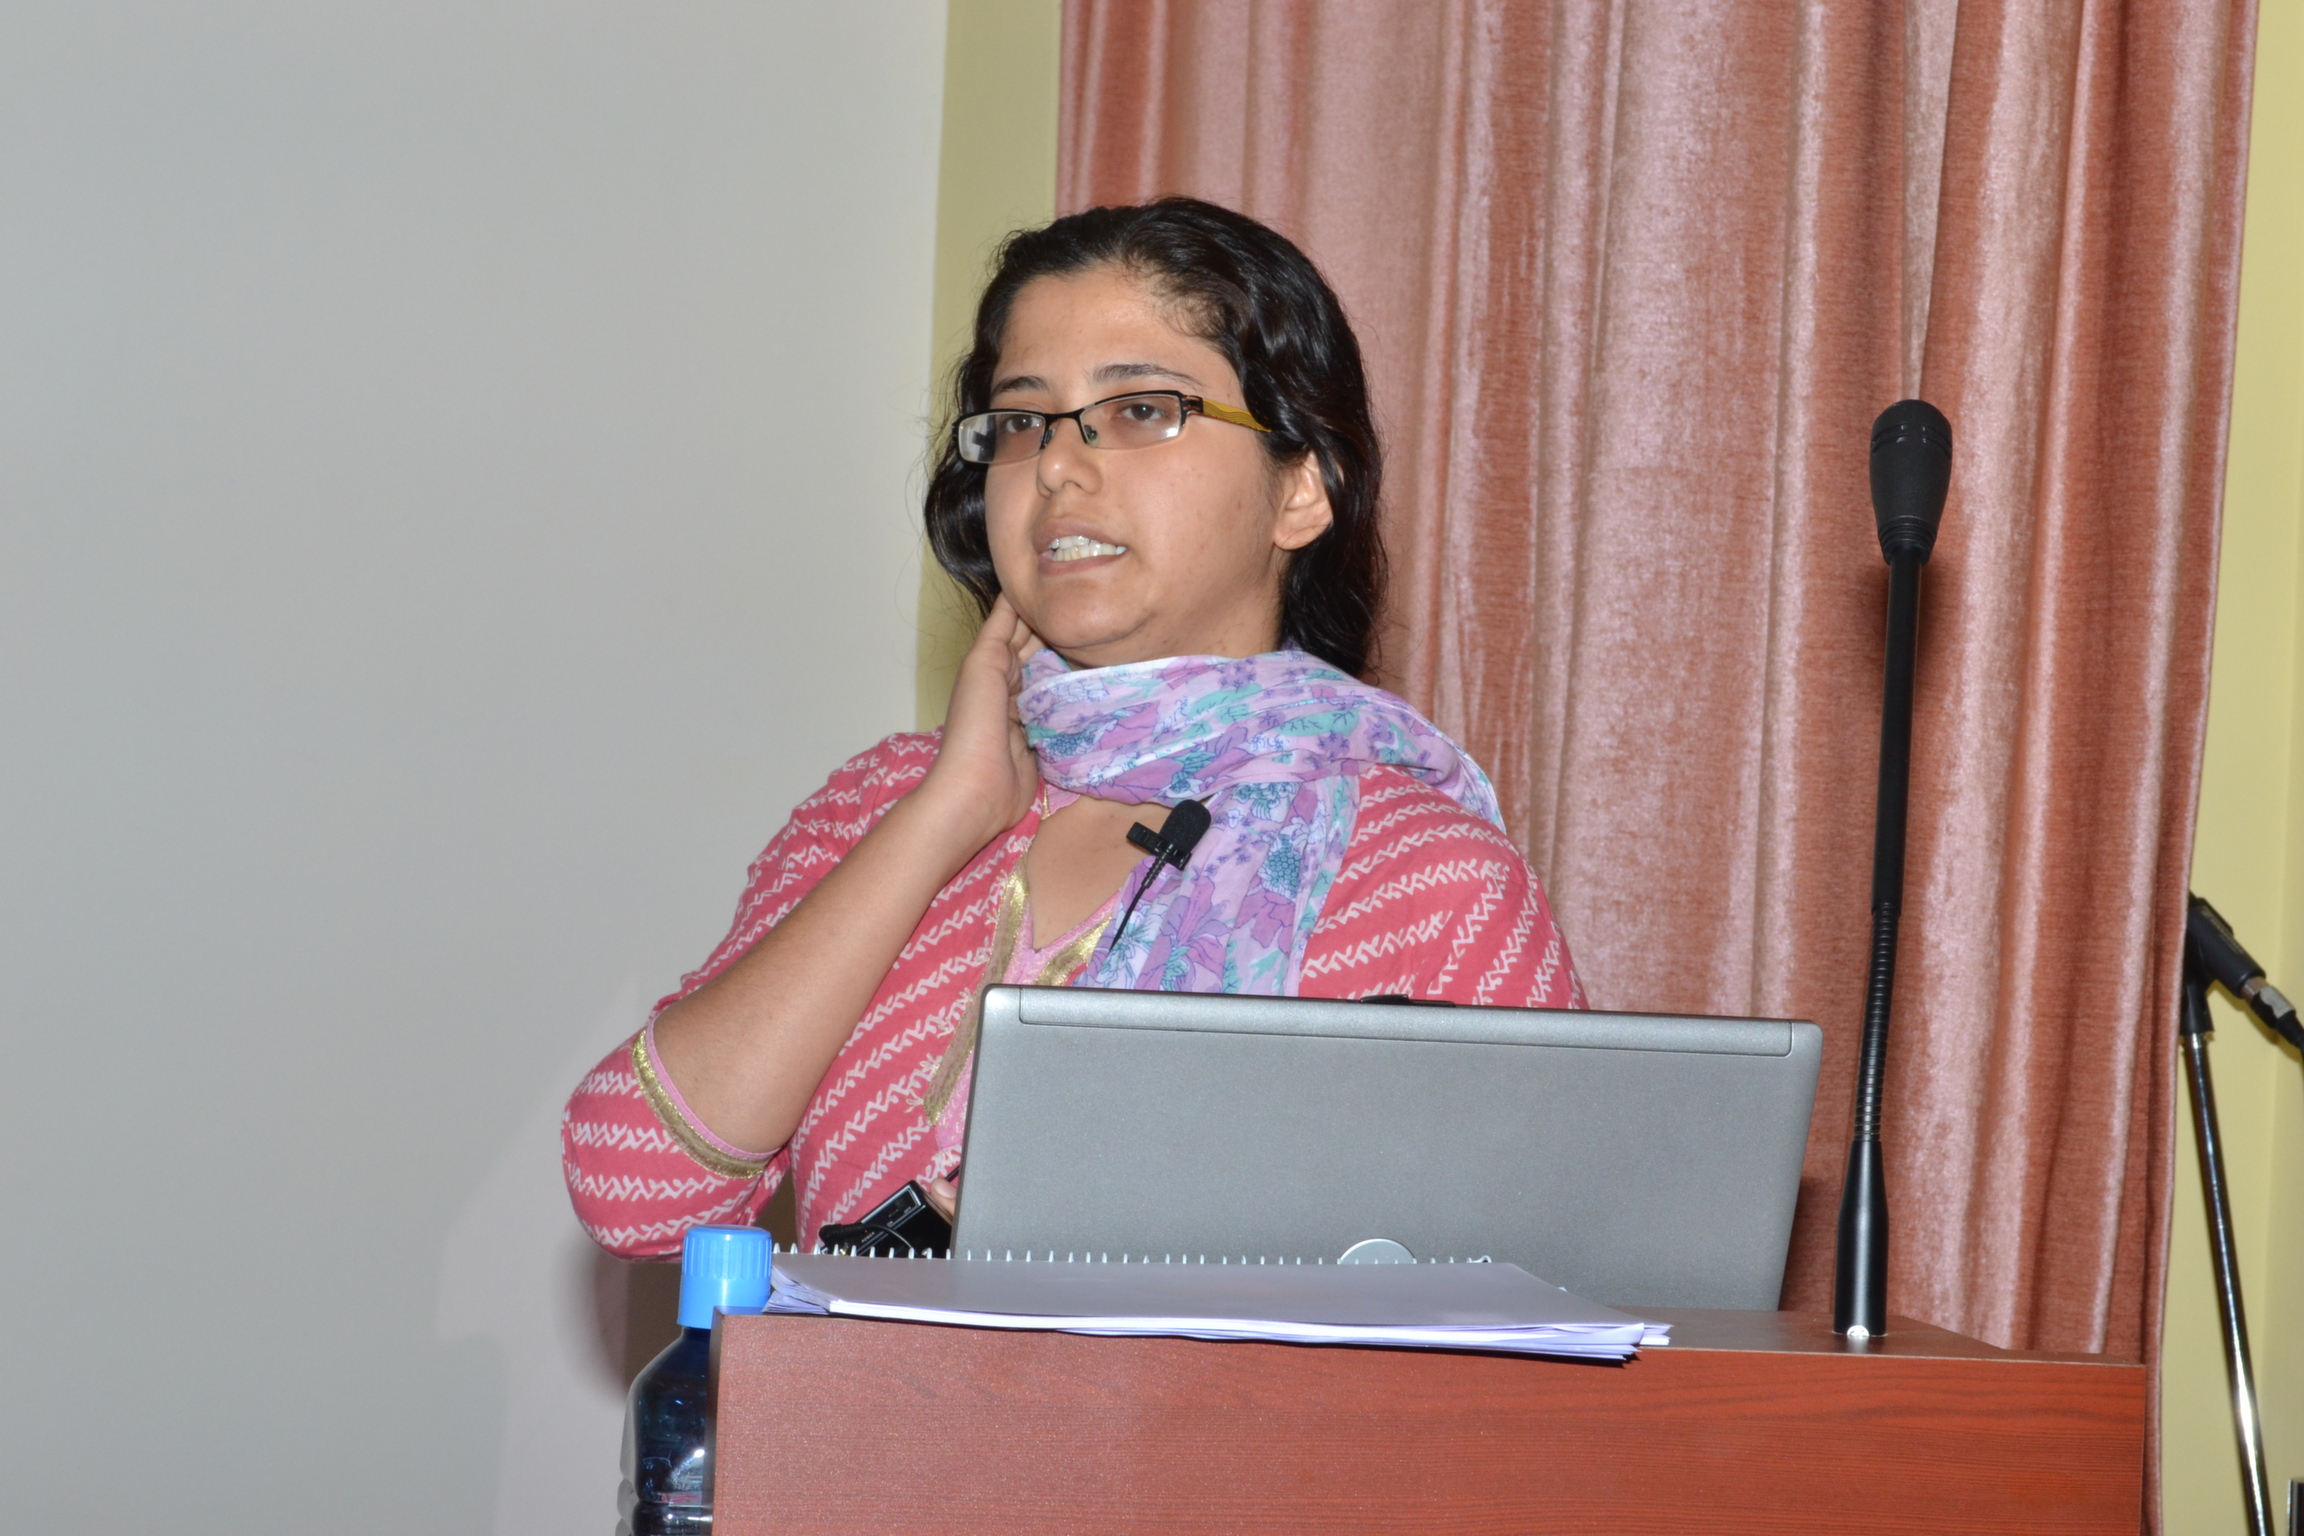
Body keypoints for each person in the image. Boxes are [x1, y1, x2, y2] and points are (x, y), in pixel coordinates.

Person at [563, 198, 1583, 1259]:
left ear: (1300, 489)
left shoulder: (1430, 880)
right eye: (1022, 422)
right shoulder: (880, 805)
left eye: (1140, 409)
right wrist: (945, 817)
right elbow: (635, 1191)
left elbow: (1558, 1288)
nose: (1056, 464)